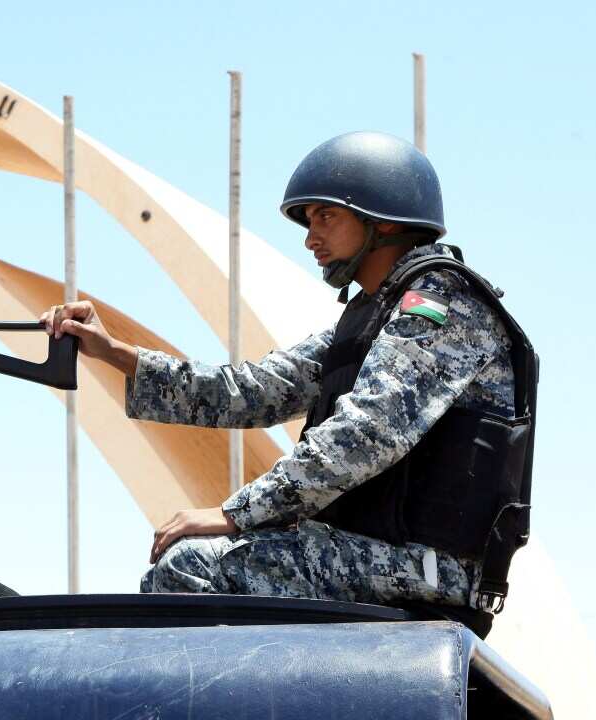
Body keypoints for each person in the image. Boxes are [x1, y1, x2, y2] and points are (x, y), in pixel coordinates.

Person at [41, 131, 535, 625]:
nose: (310, 237)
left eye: (327, 216)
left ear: (383, 220)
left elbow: (364, 436)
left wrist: (235, 515)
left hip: (428, 570)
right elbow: (251, 390)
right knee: (191, 561)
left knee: (193, 567)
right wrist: (116, 354)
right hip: (375, 552)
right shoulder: (371, 318)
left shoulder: (442, 305)